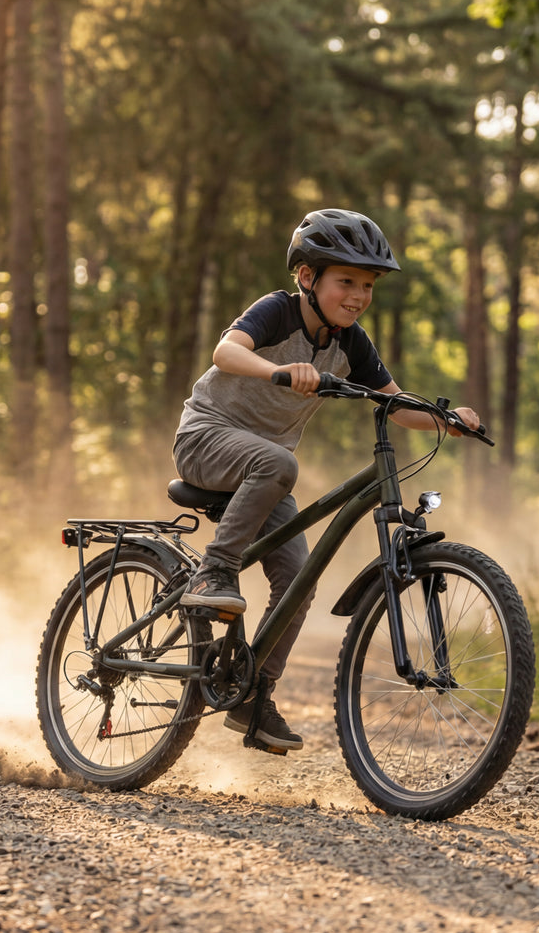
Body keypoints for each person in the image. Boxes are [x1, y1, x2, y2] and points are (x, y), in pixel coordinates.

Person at [172, 208, 481, 752]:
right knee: (280, 464)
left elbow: (397, 404)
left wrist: (447, 420)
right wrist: (276, 370)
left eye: (367, 285)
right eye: (346, 281)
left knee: (299, 576)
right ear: (308, 278)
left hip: (260, 471)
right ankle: (212, 575)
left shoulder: (350, 341)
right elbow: (225, 352)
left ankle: (253, 696)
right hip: (206, 438)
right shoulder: (276, 312)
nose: (358, 295)